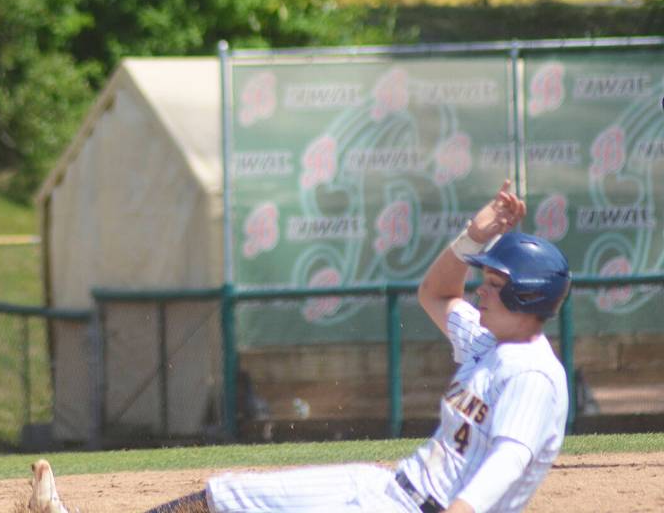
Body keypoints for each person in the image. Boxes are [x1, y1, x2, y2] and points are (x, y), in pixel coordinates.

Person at [28, 179, 571, 513]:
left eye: (494, 284)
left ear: (525, 296)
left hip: (421, 507)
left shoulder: (531, 374)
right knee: (227, 498)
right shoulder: (487, 342)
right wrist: (475, 236)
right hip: (386, 491)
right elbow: (436, 292)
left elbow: (508, 462)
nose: (482, 288)